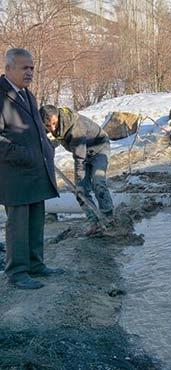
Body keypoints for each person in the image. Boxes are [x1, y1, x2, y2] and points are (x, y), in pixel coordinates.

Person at [0, 48, 63, 289]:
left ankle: (36, 264)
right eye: (24, 68)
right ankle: (17, 272)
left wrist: (47, 147)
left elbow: (36, 128)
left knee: (36, 219)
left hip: (36, 171)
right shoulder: (1, 95)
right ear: (8, 69)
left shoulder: (28, 95)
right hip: (14, 174)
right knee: (18, 224)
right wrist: (24, 155)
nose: (29, 72)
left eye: (32, 68)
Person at [39, 105, 113, 234]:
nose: (52, 128)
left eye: (54, 124)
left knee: (98, 182)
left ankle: (109, 219)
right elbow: (47, 137)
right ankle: (94, 221)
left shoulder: (75, 128)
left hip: (99, 149)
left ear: (58, 117)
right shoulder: (52, 124)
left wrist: (79, 181)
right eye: (48, 126)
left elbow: (79, 159)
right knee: (80, 192)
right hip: (82, 153)